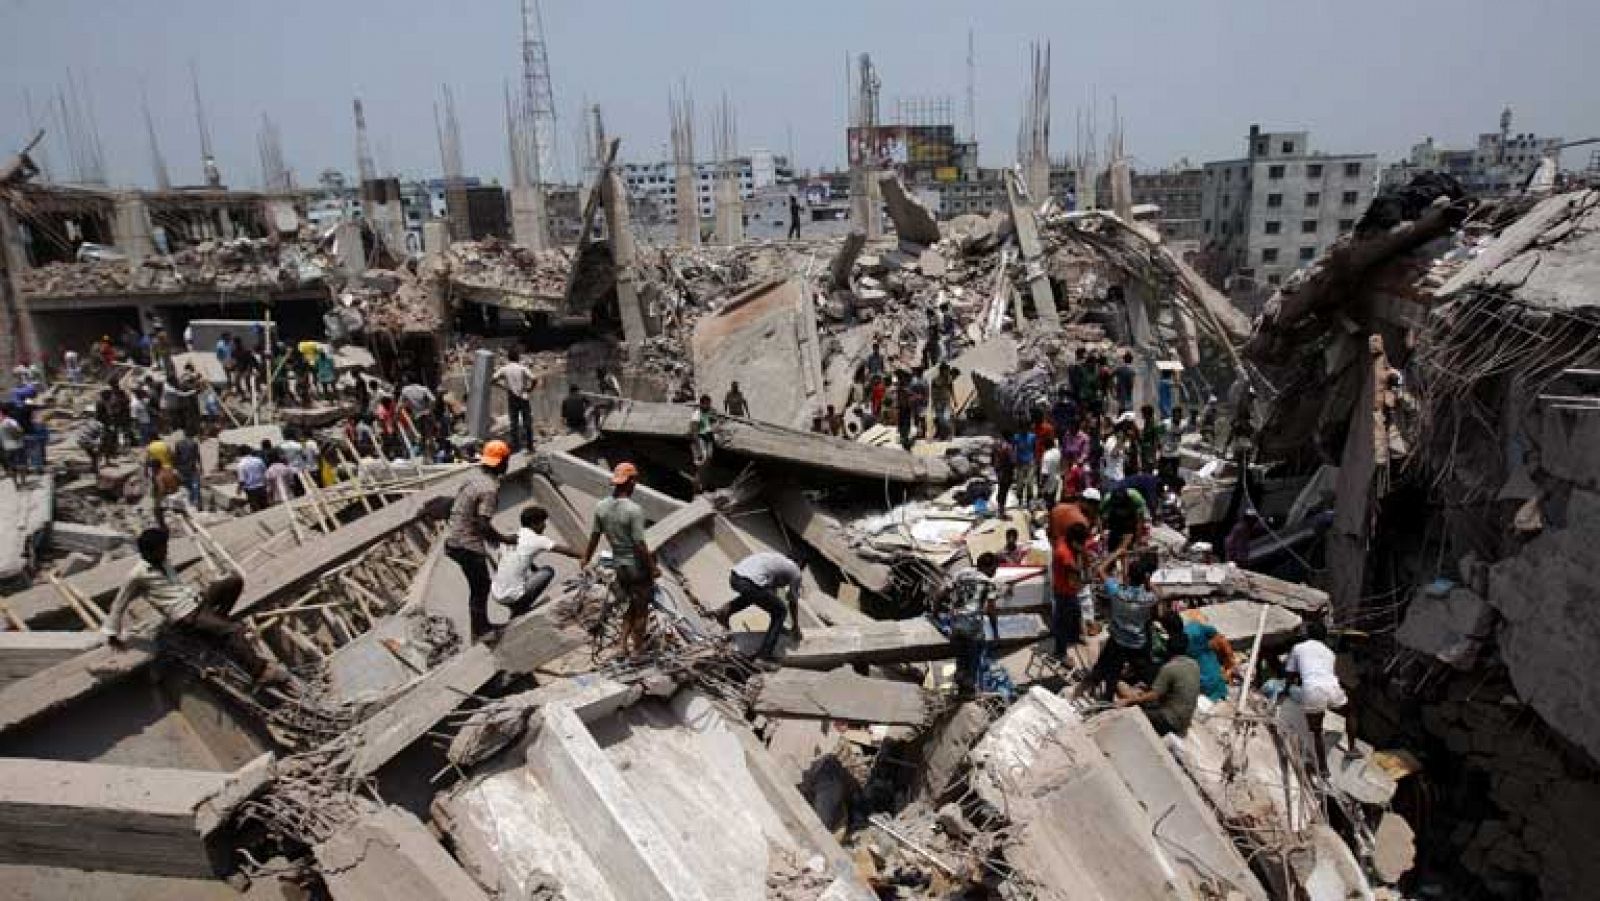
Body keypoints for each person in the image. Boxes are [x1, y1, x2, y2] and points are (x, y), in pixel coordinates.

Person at [101, 527, 289, 685]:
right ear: (149, 552)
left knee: (234, 581)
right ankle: (259, 672)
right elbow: (119, 604)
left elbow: (177, 586)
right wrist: (112, 634)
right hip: (185, 615)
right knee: (234, 630)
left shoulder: (163, 561)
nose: (166, 551)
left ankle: (215, 624)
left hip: (196, 602)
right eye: (162, 548)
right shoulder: (137, 575)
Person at [581, 462, 658, 658]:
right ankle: (638, 650)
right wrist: (652, 567)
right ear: (630, 481)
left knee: (631, 605)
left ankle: (622, 646)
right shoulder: (634, 510)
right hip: (635, 566)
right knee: (641, 609)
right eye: (635, 481)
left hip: (619, 566)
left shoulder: (601, 506)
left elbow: (594, 536)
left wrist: (586, 558)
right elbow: (639, 544)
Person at [445, 440, 515, 642]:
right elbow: (483, 524)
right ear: (502, 463)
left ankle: (480, 628)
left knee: (478, 585)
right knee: (481, 586)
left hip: (454, 539)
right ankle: (480, 631)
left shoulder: (473, 479)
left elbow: (460, 507)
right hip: (466, 544)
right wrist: (504, 538)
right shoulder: (490, 489)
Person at [1076, 556, 1161, 702]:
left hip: (1118, 640)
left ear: (1128, 576)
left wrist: (1116, 553)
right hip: (1137, 642)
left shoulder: (1117, 592)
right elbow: (1159, 595)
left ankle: (1105, 696)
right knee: (1145, 670)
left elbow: (1100, 570)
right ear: (1144, 578)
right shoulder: (1147, 598)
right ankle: (1156, 693)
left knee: (1111, 670)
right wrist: (1148, 581)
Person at [1285, 620, 1351, 776]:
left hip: (1312, 690)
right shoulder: (1330, 653)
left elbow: (1289, 673)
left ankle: (1323, 767)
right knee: (1350, 712)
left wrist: (1286, 689)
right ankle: (1352, 747)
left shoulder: (1299, 647)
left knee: (1316, 731)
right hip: (1332, 687)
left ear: (1307, 634)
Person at [1117, 614, 1201, 737]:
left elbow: (1154, 695)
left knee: (1132, 714)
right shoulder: (1194, 664)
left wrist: (1129, 700)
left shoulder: (1169, 668)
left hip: (1168, 721)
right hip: (1184, 721)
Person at [490, 505, 578, 619]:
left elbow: (506, 562)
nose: (545, 526)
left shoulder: (511, 538)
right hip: (510, 595)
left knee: (526, 573)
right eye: (542, 522)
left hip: (496, 592)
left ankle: (515, 605)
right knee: (547, 571)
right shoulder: (536, 539)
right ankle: (520, 607)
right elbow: (567, 551)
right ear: (533, 524)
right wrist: (587, 556)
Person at [715, 551, 805, 660]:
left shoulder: (776, 560)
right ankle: (763, 657)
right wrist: (795, 626)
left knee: (754, 596)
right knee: (781, 612)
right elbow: (792, 601)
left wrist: (778, 626)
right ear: (800, 564)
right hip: (750, 583)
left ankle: (725, 610)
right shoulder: (796, 571)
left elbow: (769, 597)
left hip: (735, 577)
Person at [1050, 520, 1090, 655]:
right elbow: (1075, 581)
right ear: (1074, 541)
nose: (1083, 545)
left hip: (1069, 590)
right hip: (1064, 592)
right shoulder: (1065, 556)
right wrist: (1086, 580)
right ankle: (1060, 653)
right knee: (1063, 624)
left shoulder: (1064, 540)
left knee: (1075, 614)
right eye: (1081, 542)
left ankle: (1074, 637)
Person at [1182, 611, 1238, 703]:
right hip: (1214, 683)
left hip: (1198, 684)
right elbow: (1222, 642)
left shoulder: (1186, 637)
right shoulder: (1204, 629)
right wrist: (1231, 664)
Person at [494, 350, 536, 452]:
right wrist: (530, 389)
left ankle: (516, 447)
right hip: (523, 397)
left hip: (512, 398)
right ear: (518, 357)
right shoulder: (522, 368)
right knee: (527, 422)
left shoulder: (504, 369)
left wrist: (503, 387)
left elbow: (492, 380)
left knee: (514, 423)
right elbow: (534, 379)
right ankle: (530, 446)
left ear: (508, 358)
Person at [1100, 484, 1149, 564]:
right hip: (1115, 518)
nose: (1121, 511)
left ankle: (1122, 551)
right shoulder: (1107, 499)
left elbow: (1140, 521)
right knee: (1114, 540)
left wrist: (1137, 540)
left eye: (1122, 507)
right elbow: (1099, 515)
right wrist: (1101, 532)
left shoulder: (1136, 498)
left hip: (1131, 517)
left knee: (1128, 538)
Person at [690, 394, 715, 489]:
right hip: (700, 440)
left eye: (709, 404)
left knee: (707, 463)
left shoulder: (709, 412)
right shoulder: (697, 414)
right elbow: (694, 430)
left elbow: (711, 424)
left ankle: (703, 486)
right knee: (701, 465)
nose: (708, 405)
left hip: (708, 439)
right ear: (701, 404)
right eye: (706, 404)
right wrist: (698, 448)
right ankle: (696, 486)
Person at [173, 430, 202, 509]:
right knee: (195, 485)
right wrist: (201, 466)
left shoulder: (178, 443)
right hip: (191, 467)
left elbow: (176, 457)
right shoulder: (194, 444)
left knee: (186, 485)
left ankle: (189, 502)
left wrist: (175, 467)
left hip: (182, 468)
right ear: (192, 436)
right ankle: (195, 502)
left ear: (184, 435)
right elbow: (197, 456)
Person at [236, 445, 270, 512]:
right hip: (262, 487)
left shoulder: (241, 465)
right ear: (250, 451)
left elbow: (242, 481)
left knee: (256, 510)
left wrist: (238, 490)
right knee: (266, 508)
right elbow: (265, 473)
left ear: (240, 454)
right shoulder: (258, 460)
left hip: (251, 490)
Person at [931, 363, 957, 439]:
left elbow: (951, 390)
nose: (947, 372)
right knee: (940, 419)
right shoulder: (936, 380)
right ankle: (944, 434)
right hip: (938, 401)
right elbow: (933, 391)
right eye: (946, 370)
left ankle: (948, 434)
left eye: (948, 370)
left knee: (945, 418)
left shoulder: (949, 380)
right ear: (942, 370)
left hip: (946, 401)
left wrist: (954, 400)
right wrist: (933, 401)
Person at [992, 436, 1016, 518]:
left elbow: (993, 459)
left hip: (999, 471)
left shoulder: (996, 445)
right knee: (1004, 491)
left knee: (1001, 489)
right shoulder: (1008, 447)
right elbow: (1012, 461)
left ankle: (1000, 510)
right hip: (1006, 472)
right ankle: (1001, 512)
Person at [0, 408, 24, 487]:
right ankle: (22, 482)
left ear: (3, 414)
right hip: (18, 445)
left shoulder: (2, 423)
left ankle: (16, 484)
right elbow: (20, 431)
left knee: (12, 466)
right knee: (20, 464)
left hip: (7, 448)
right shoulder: (12, 421)